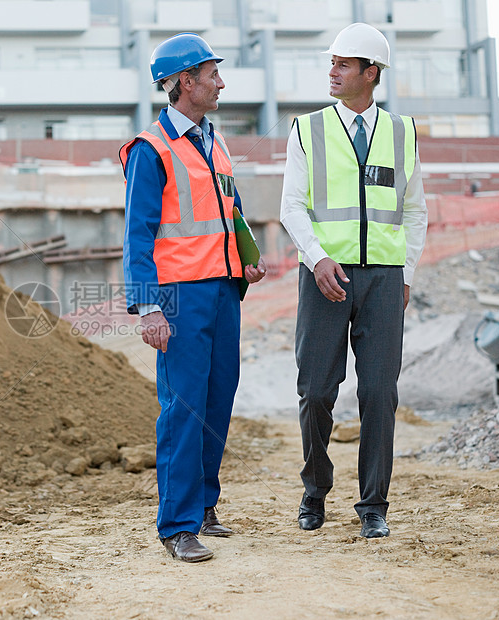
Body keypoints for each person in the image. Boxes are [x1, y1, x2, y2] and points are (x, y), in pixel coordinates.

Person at [120, 33, 267, 563]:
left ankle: (204, 506)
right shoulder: (151, 149)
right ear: (186, 82)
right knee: (183, 409)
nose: (221, 83)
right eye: (212, 74)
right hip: (178, 299)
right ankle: (177, 526)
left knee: (216, 401)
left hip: (225, 291)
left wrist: (246, 256)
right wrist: (149, 307)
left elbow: (232, 211)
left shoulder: (216, 141)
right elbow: (138, 236)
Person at [279, 23, 428, 539]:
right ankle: (315, 489)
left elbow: (414, 211)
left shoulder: (401, 132)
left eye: (344, 64)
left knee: (379, 392)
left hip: (385, 281)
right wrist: (317, 258)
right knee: (317, 391)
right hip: (325, 277)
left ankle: (373, 504)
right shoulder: (308, 128)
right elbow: (291, 206)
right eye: (333, 63)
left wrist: (405, 274)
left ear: (372, 73)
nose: (333, 72)